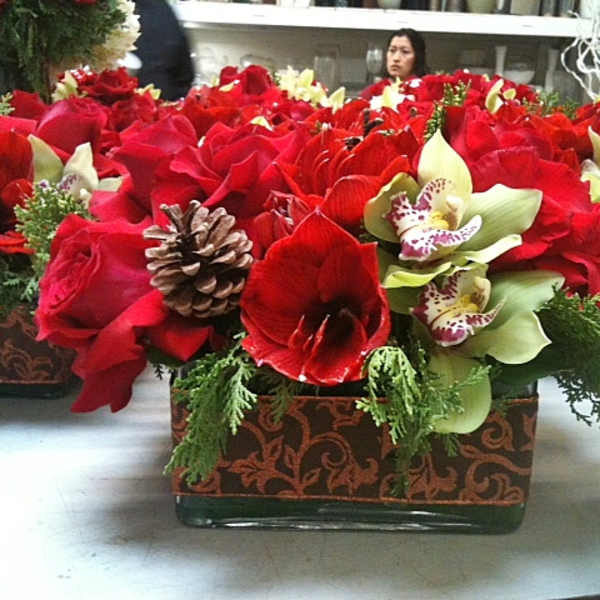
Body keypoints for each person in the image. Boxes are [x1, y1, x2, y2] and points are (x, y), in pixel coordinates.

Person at [132, 0, 195, 101]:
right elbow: (185, 76)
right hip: (164, 99)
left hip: (123, 102)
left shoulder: (111, 11)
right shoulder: (162, 8)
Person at [360, 28, 428, 100]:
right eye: (392, 50)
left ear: (418, 57)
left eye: (405, 52)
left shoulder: (426, 91)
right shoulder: (372, 92)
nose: (396, 58)